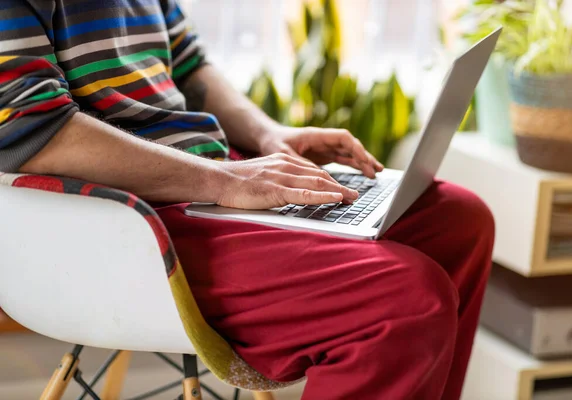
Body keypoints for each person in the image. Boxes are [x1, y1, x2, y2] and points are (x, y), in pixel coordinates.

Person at [0, 1, 494, 399]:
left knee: (461, 221)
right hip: (129, 220)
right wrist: (223, 181)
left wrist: (268, 135)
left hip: (207, 182)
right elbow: (34, 132)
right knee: (403, 301)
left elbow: (190, 64)